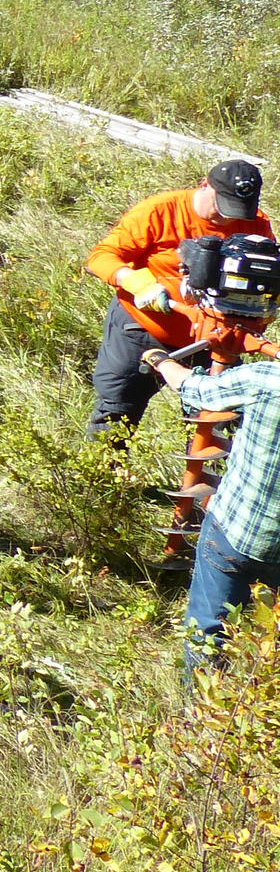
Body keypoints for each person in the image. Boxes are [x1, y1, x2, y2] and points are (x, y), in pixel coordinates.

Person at [84, 160, 270, 439]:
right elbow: (101, 257)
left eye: (235, 210)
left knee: (219, 419)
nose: (227, 217)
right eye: (221, 205)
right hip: (142, 329)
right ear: (205, 185)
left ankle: (202, 478)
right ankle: (105, 479)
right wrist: (136, 282)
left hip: (215, 337)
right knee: (116, 412)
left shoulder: (255, 223)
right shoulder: (161, 210)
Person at [141, 347, 280, 673]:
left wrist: (161, 360)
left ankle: (200, 711)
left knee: (208, 630)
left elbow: (195, 389)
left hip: (236, 533)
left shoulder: (266, 378)